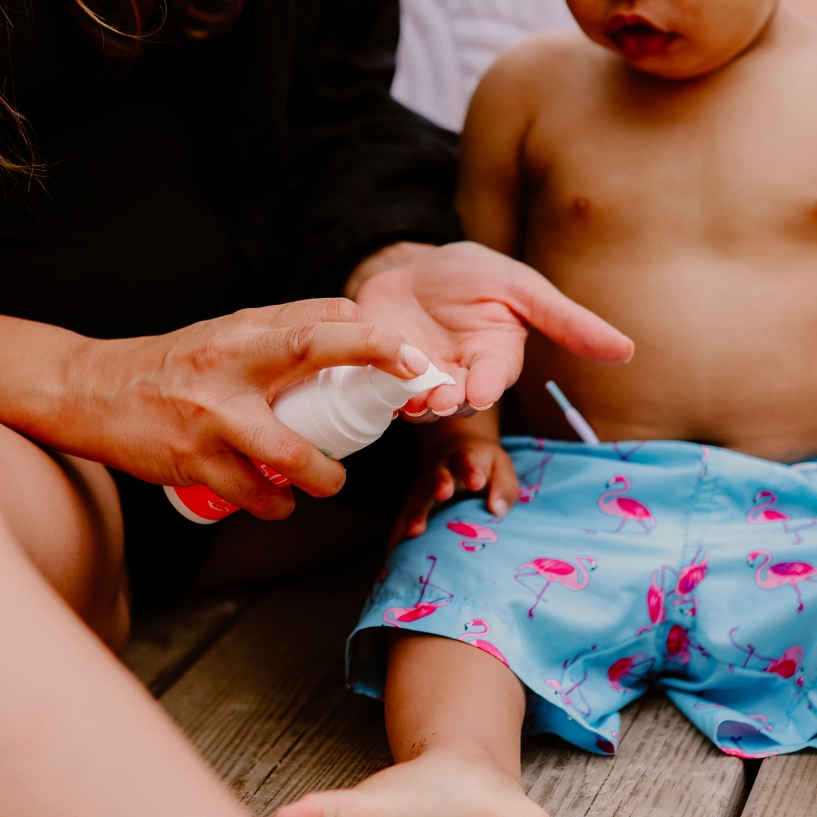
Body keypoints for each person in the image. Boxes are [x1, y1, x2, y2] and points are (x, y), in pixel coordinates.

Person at [0, 0, 634, 815]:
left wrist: (391, 253)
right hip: (37, 439)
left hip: (272, 455)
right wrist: (83, 377)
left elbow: (330, 120)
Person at [276, 1, 817, 816]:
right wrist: (464, 436)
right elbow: (467, 303)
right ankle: (456, 766)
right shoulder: (528, 87)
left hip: (799, 499)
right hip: (564, 489)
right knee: (457, 564)